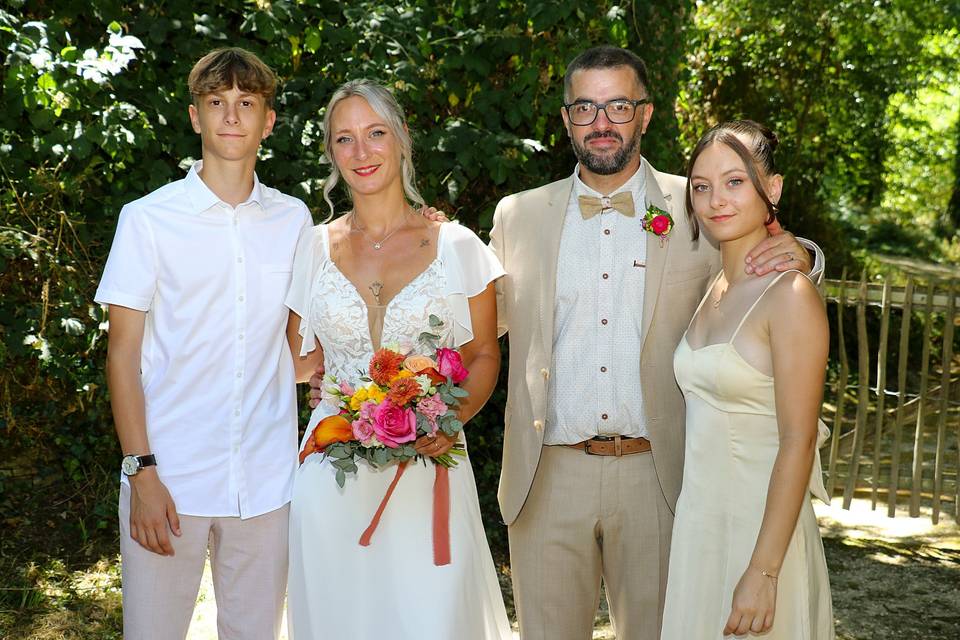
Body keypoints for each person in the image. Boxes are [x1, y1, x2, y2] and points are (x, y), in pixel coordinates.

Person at [489, 46, 822, 640]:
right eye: (585, 107)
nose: (602, 122)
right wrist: (423, 243)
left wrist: (806, 256)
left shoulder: (699, 204)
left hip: (663, 479)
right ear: (566, 118)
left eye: (618, 105)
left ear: (645, 114)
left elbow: (758, 276)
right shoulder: (518, 216)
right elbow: (475, 321)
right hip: (546, 477)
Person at [284, 79, 511, 640]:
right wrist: (319, 382)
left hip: (428, 466)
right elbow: (296, 359)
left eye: (376, 133)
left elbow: (483, 353)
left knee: (430, 618)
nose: (361, 151)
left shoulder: (458, 246)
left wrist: (451, 418)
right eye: (345, 138)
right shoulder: (311, 247)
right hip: (331, 470)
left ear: (402, 138)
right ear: (331, 152)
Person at [96, 48, 310, 639]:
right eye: (217, 102)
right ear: (195, 116)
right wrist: (141, 472)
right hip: (169, 477)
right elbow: (122, 355)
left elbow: (299, 351)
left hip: (267, 482)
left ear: (269, 121)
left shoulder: (294, 220)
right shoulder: (147, 219)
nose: (232, 116)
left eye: (247, 103)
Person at [661, 120, 834, 639]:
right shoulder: (713, 284)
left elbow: (799, 439)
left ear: (772, 189)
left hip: (761, 534)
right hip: (699, 528)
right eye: (701, 186)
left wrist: (764, 571)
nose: (716, 199)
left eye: (735, 182)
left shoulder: (790, 296)